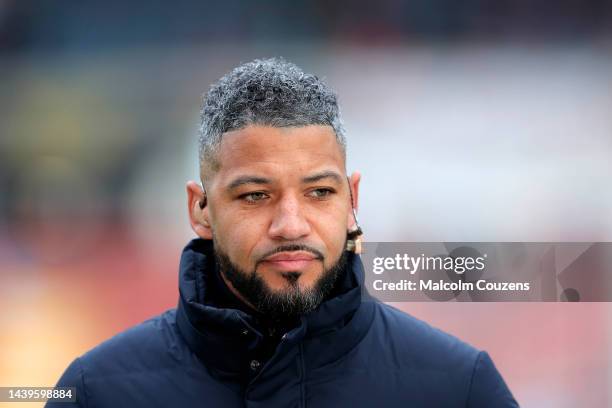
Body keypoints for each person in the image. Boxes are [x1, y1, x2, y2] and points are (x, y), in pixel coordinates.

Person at [48, 57, 519, 407]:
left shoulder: (460, 388)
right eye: (256, 195)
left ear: (352, 199)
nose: (291, 225)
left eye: (319, 193)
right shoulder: (95, 391)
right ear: (201, 209)